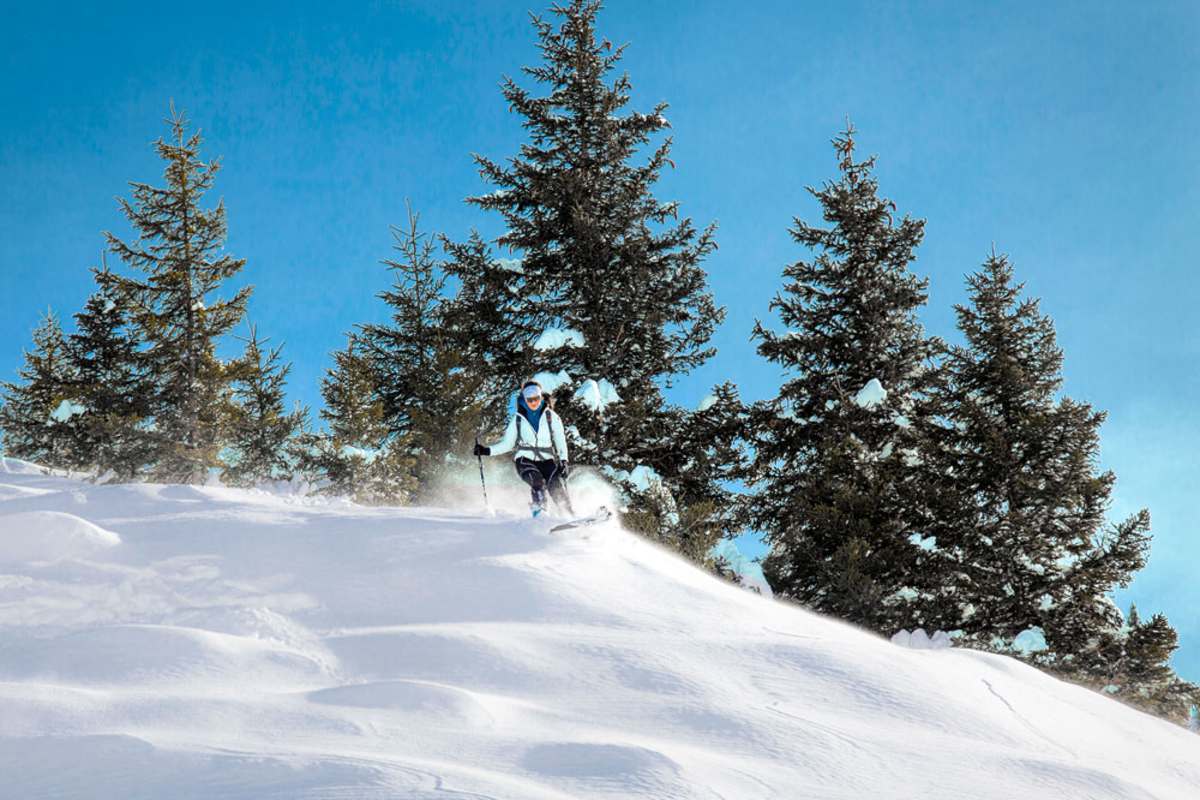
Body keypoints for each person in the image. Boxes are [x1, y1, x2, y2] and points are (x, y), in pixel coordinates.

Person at [474, 380, 574, 517]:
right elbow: (507, 444)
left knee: (557, 487)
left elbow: (560, 439)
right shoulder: (518, 419)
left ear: (540, 397)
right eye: (530, 400)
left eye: (536, 399)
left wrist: (563, 460)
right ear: (524, 400)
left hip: (547, 460)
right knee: (537, 482)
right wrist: (486, 450)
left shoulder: (552, 417)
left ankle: (570, 516)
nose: (533, 403)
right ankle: (540, 513)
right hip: (524, 459)